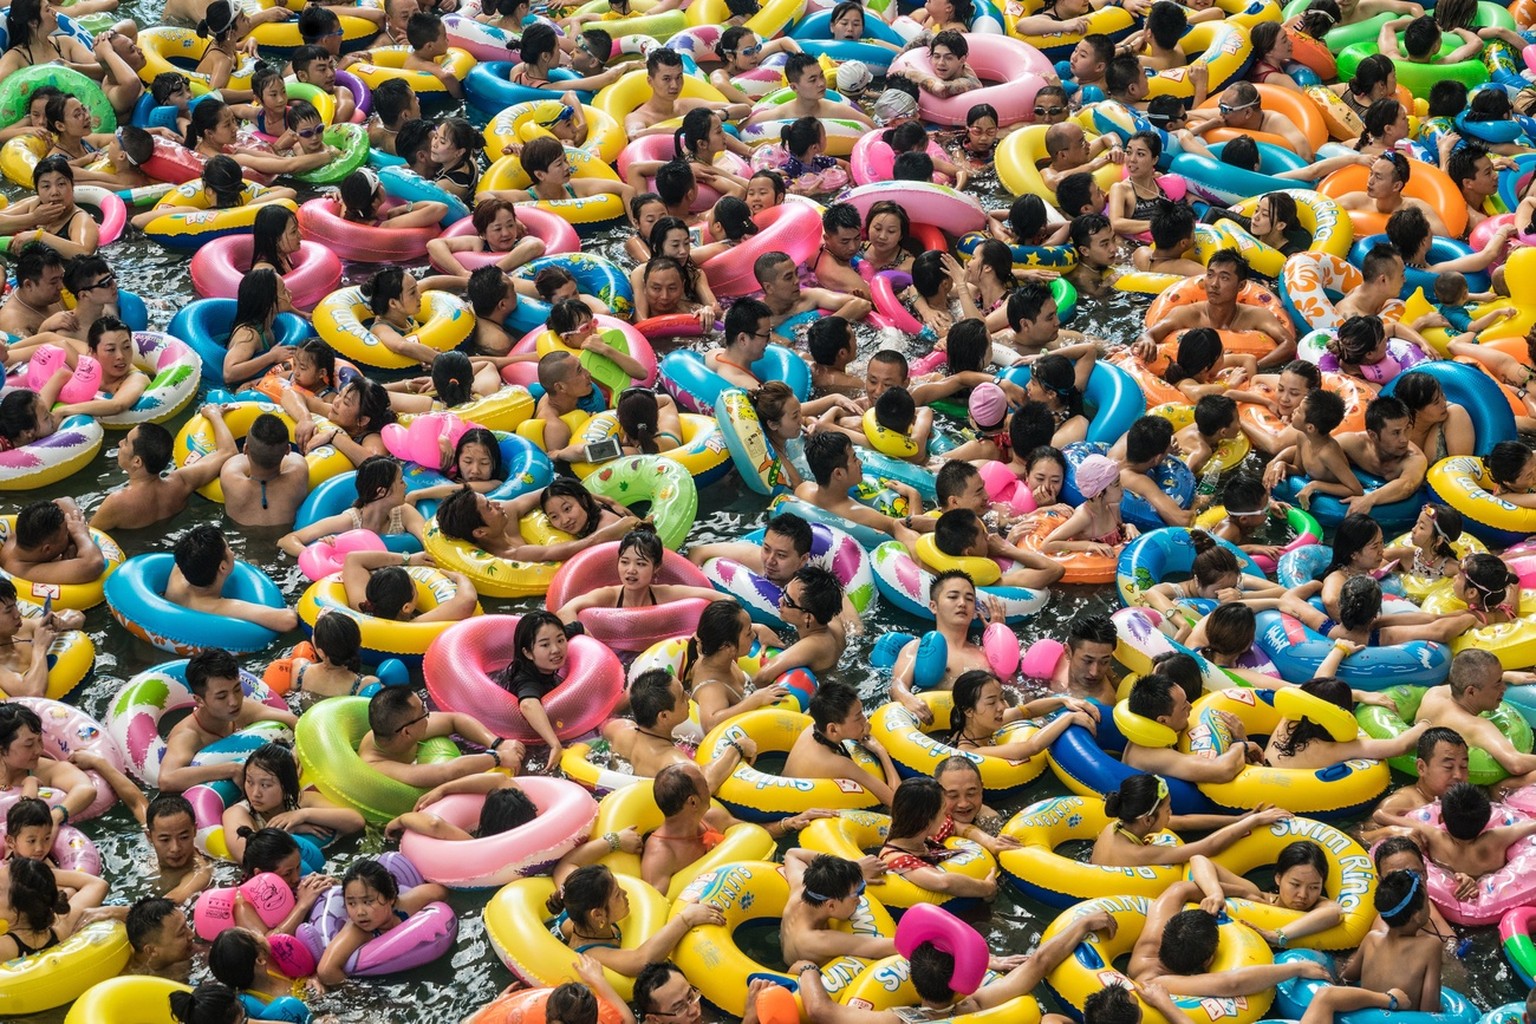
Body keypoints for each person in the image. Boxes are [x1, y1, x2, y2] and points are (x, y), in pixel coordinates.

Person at [793, 903, 1118, 1024]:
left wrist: (806, 968)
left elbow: (822, 1011)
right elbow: (1040, 961)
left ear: (911, 972)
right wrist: (1083, 923)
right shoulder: (977, 1005)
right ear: (964, 977)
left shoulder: (894, 1020)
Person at [1295, 869, 1439, 1024]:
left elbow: (1347, 977)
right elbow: (1429, 1011)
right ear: (1416, 915)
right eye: (1427, 900)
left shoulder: (1371, 939)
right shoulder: (1430, 946)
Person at [157, 648, 298, 792]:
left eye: (237, 689)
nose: (234, 702)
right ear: (199, 701)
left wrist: (295, 750)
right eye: (222, 696)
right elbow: (167, 779)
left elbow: (294, 721)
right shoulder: (188, 735)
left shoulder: (244, 710)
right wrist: (231, 769)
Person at [546, 863, 724, 974]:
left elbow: (565, 865)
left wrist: (614, 841)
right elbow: (640, 961)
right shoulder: (590, 953)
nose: (625, 893)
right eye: (617, 894)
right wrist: (686, 918)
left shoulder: (576, 904)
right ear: (598, 914)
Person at [1092, 773, 1292, 868]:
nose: (1172, 812)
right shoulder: (1138, 854)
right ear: (1147, 820)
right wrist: (1254, 821)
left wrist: (1237, 818)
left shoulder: (1118, 825)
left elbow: (1184, 821)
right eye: (1168, 808)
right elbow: (1208, 847)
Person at [1133, 251, 1295, 367]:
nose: (1214, 284)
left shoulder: (1257, 316)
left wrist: (1255, 366)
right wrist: (1147, 340)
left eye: (1224, 277)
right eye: (1210, 275)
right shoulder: (1187, 314)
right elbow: (1149, 334)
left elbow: (1289, 344)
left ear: (1241, 285)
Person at [221, 741, 364, 863]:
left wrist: (303, 815)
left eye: (265, 785)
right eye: (249, 782)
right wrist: (290, 831)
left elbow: (356, 822)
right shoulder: (237, 813)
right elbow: (251, 857)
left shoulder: (302, 800)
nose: (255, 793)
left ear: (286, 785)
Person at [315, 857, 450, 985]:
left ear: (390, 898)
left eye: (368, 901)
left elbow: (440, 891)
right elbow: (326, 970)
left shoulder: (406, 906)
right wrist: (360, 994)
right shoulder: (357, 931)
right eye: (351, 903)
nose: (360, 912)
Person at [434, 479, 640, 562]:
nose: (497, 504)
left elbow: (550, 489)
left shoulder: (508, 512)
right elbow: (576, 548)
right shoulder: (512, 553)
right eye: (489, 507)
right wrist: (616, 529)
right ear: (480, 532)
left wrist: (606, 500)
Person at [555, 526, 721, 629]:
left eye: (641, 564)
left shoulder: (664, 594)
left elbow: (717, 597)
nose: (630, 570)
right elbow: (565, 610)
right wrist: (583, 635)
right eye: (625, 562)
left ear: (656, 567)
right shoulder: (609, 596)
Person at [605, 670, 754, 783]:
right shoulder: (671, 759)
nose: (688, 698)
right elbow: (704, 783)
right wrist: (736, 748)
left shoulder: (618, 729)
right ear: (664, 716)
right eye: (682, 696)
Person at [359, 687, 523, 789]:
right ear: (407, 732)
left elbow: (454, 720)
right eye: (423, 711)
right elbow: (445, 772)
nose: (427, 713)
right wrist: (498, 757)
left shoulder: (400, 731)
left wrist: (497, 743)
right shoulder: (377, 765)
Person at [890, 572, 1007, 711]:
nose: (962, 603)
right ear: (934, 606)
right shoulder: (918, 647)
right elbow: (897, 685)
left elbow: (1014, 690)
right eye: (953, 597)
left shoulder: (986, 653)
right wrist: (909, 700)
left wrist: (998, 638)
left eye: (969, 599)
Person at [1418, 651, 1536, 788]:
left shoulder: (1433, 694)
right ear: (1471, 692)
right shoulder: (1477, 727)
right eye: (1498, 683)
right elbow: (1516, 764)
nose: (1504, 687)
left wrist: (1507, 676)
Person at [163, 525, 300, 640]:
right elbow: (289, 620)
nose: (232, 552)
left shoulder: (177, 579)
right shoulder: (220, 607)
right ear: (223, 567)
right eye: (229, 548)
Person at [278, 455, 427, 557]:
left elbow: (429, 544)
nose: (406, 486)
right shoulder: (350, 521)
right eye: (401, 481)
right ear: (382, 491)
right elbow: (286, 540)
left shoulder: (404, 513)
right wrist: (317, 553)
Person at [1122, 674, 1253, 785]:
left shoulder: (1145, 734)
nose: (1191, 707)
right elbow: (1224, 770)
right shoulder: (1153, 755)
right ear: (1163, 720)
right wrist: (1240, 742)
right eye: (1184, 707)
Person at [784, 682, 902, 805]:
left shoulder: (811, 729)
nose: (865, 719)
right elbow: (896, 802)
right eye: (858, 717)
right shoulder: (839, 764)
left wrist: (859, 730)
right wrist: (881, 751)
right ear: (833, 729)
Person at [781, 849, 892, 963]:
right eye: (856, 895)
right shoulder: (818, 940)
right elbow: (888, 947)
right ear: (831, 906)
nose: (859, 901)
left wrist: (853, 868)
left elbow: (792, 853)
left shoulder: (801, 889)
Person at [1262, 388, 1361, 509]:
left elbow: (1356, 490)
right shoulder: (1302, 437)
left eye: (1299, 411)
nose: (1294, 410)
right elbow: (1300, 470)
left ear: (1310, 428)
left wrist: (1315, 485)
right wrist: (1283, 465)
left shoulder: (1328, 453)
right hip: (1312, 480)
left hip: (1333, 500)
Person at [0, 857, 110, 961]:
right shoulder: (63, 925)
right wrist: (38, 875)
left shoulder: (5, 948)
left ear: (16, 908)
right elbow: (98, 884)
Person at [1336, 395, 1429, 516]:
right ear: (1373, 435)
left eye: (1407, 429)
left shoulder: (1414, 458)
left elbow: (1407, 485)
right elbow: (1319, 451)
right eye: (1396, 433)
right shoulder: (1353, 443)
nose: (1404, 439)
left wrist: (1369, 499)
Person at [219, 412, 311, 528]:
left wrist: (216, 416)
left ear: (245, 448)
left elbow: (231, 454)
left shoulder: (230, 478)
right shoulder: (299, 473)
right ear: (287, 450)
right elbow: (293, 457)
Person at [1369, 728, 1470, 832]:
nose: (1458, 775)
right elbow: (1361, 835)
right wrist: (1391, 831)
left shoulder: (1470, 801)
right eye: (1448, 767)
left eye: (1463, 766)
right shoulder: (1400, 803)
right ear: (1421, 767)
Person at [0, 579, 83, 699]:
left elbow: (78, 616)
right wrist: (40, 647)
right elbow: (33, 693)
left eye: (15, 606)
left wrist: (60, 622)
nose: (17, 614)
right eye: (8, 611)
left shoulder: (24, 629)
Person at [0, 498, 105, 587]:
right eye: (67, 533)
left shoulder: (24, 532)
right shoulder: (24, 572)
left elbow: (64, 501)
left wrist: (71, 544)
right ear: (47, 549)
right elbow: (94, 563)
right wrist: (80, 534)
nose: (70, 533)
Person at [125, 897, 195, 981]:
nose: (192, 934)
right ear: (151, 951)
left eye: (186, 925)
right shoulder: (136, 981)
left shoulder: (183, 953)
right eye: (182, 933)